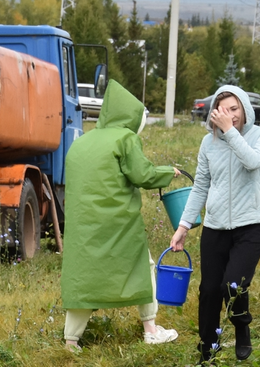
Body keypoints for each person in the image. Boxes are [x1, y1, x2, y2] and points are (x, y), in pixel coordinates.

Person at [60, 79, 182, 351]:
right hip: (117, 224)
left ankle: (71, 341)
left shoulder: (83, 141)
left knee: (84, 279)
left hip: (83, 227)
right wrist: (167, 173)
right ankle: (151, 329)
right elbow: (143, 175)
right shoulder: (125, 139)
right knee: (143, 266)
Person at [169, 85, 260, 363]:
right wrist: (183, 227)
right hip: (215, 227)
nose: (230, 115)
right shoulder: (208, 143)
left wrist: (230, 132)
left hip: (251, 225)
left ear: (245, 109)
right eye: (223, 110)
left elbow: (253, 162)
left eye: (234, 109)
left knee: (233, 285)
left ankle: (242, 327)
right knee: (209, 290)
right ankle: (208, 348)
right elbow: (201, 185)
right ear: (213, 113)